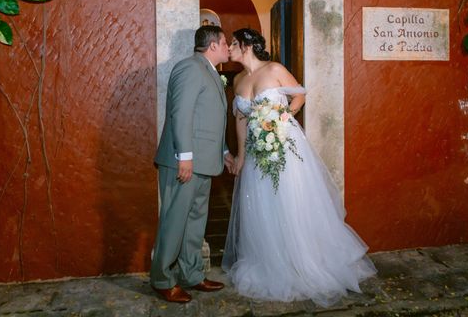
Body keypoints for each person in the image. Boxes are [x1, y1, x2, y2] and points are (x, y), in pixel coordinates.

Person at [222, 28, 377, 307]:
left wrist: (280, 119)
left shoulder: (275, 69)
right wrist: (241, 155)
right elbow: (241, 121)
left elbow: (300, 96)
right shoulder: (238, 79)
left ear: (245, 45)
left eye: (232, 43)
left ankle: (306, 261)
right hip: (258, 152)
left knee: (290, 201)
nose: (228, 48)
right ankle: (272, 260)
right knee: (262, 206)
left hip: (285, 146)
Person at [150, 25, 233, 303]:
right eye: (224, 43)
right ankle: (162, 279)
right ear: (212, 46)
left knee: (195, 222)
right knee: (174, 221)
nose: (228, 48)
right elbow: (181, 113)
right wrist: (184, 156)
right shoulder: (189, 68)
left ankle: (192, 274)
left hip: (204, 162)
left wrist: (222, 151)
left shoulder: (210, 71)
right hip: (183, 163)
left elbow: (209, 118)